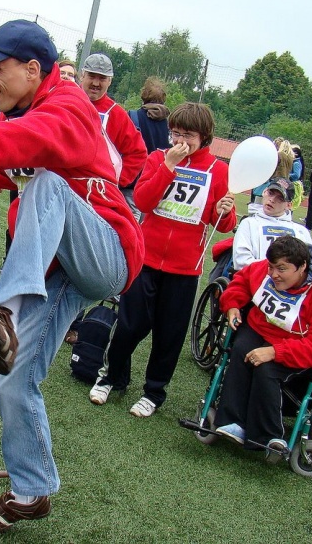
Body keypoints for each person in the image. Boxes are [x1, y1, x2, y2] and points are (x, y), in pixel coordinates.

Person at [0, 19, 143, 534]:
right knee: (13, 382)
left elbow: (28, 141)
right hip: (62, 272)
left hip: (109, 256)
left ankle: (5, 315)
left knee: (47, 182)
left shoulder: (69, 106)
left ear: (33, 70)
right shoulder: (31, 111)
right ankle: (31, 491)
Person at [88, 102, 237, 417]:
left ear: (204, 137)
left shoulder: (218, 171)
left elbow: (221, 224)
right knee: (129, 325)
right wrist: (169, 166)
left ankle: (154, 392)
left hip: (184, 270)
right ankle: (113, 377)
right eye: (176, 133)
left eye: (189, 135)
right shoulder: (158, 158)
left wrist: (226, 208)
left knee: (169, 335)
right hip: (147, 259)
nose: (181, 141)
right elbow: (142, 199)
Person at [212, 236, 312, 454]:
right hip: (260, 328)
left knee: (266, 369)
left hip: (298, 345)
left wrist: (276, 351)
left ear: (302, 267)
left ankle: (267, 435)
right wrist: (232, 305)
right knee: (240, 349)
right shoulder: (263, 270)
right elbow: (241, 281)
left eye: (282, 269)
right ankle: (231, 421)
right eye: (271, 267)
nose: (273, 274)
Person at [79, 52, 147, 219]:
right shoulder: (65, 99)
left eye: (102, 78)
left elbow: (138, 153)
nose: (96, 83)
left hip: (94, 197)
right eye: (92, 76)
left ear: (110, 81)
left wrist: (115, 182)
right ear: (82, 75)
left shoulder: (116, 114)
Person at [232, 177, 312, 271]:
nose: (272, 200)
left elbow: (307, 266)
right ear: (264, 192)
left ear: (289, 205)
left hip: (291, 283)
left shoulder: (301, 231)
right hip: (255, 279)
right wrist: (277, 271)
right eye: (271, 193)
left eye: (280, 198)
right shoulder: (248, 223)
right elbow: (241, 261)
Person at [128, 76, 171, 154]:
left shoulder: (132, 116)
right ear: (163, 98)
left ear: (144, 95)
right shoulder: (172, 124)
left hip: (138, 164)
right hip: (162, 165)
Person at [249, 139, 294, 207]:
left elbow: (273, 167)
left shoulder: (279, 154)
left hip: (275, 179)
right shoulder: (291, 158)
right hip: (285, 180)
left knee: (268, 195)